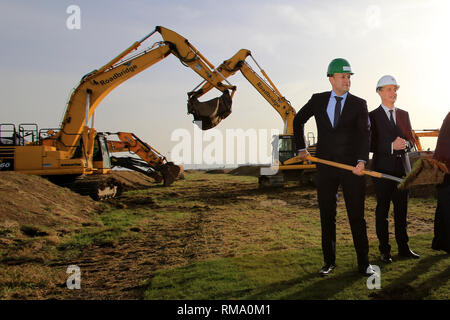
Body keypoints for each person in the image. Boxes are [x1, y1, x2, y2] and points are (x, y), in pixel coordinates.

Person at [293, 58, 376, 276]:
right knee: (327, 215)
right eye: (343, 76)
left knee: (356, 216)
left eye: (349, 77)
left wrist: (361, 161)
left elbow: (364, 134)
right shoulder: (318, 100)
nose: (347, 80)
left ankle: (364, 263)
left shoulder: (359, 104)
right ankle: (329, 262)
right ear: (331, 78)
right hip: (326, 169)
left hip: (352, 169)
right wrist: (301, 148)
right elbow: (298, 120)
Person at [369, 75, 420, 263]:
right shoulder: (372, 116)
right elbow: (369, 143)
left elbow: (411, 140)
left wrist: (405, 143)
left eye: (395, 89)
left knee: (402, 212)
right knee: (382, 212)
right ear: (380, 92)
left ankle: (404, 248)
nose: (393, 93)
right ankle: (385, 251)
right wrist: (391, 146)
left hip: (402, 171)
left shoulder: (404, 114)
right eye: (389, 89)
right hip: (382, 171)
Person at [432, 112, 450, 254]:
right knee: (446, 207)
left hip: (444, 166)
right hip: (446, 167)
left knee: (443, 207)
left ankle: (440, 242)